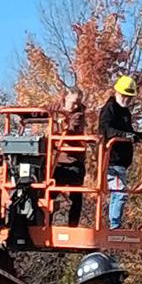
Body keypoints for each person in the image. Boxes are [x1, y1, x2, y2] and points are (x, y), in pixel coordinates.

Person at [98, 75, 142, 229]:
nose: (127, 99)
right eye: (124, 96)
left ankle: (114, 222)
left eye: (129, 97)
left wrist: (140, 136)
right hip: (111, 160)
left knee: (116, 192)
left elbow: (129, 131)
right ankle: (114, 224)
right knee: (120, 193)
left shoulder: (125, 112)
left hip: (122, 162)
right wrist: (123, 135)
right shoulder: (110, 109)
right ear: (117, 92)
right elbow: (106, 129)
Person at [53, 87, 87, 227]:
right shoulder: (56, 108)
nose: (75, 106)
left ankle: (73, 226)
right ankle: (44, 224)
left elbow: (72, 132)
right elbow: (42, 110)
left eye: (78, 103)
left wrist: (63, 127)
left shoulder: (78, 115)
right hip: (57, 161)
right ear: (65, 98)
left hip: (73, 161)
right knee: (49, 195)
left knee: (76, 195)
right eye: (73, 102)